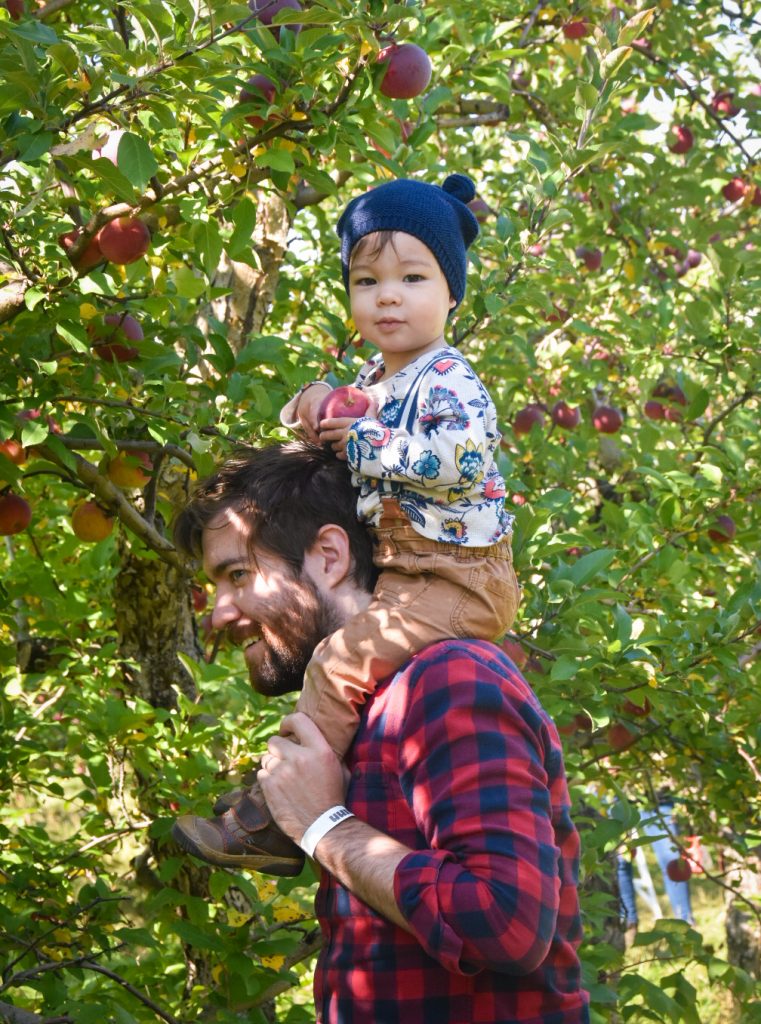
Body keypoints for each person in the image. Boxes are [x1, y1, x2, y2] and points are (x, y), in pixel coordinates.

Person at [172, 441, 590, 1024]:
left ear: (329, 555)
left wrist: (324, 828)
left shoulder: (448, 681)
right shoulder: (365, 710)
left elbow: (507, 924)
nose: (218, 612)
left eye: (239, 574)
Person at [173, 173, 521, 872]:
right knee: (350, 666)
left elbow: (455, 463)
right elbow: (336, 417)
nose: (387, 295)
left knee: (335, 664)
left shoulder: (449, 378)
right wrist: (311, 402)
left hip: (455, 575)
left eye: (413, 277)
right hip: (412, 567)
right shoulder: (383, 378)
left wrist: (363, 441)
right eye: (366, 281)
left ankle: (275, 820)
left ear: (451, 292)